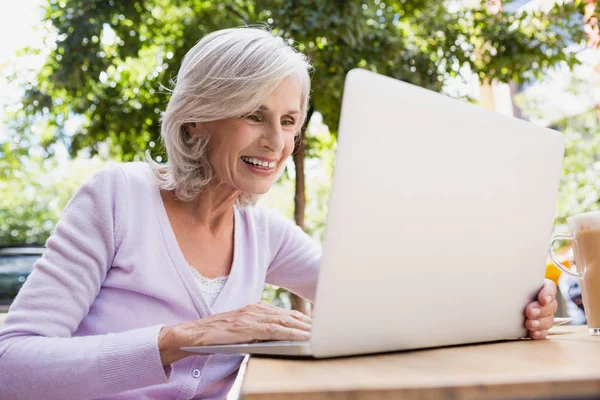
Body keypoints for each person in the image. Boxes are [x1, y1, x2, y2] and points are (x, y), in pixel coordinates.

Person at [0, 27, 558, 399]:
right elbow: (12, 363)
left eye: (289, 121)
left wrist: (517, 305)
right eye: (254, 114)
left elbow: (391, 297)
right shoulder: (117, 197)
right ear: (196, 119)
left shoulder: (263, 231)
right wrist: (186, 336)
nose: (276, 141)